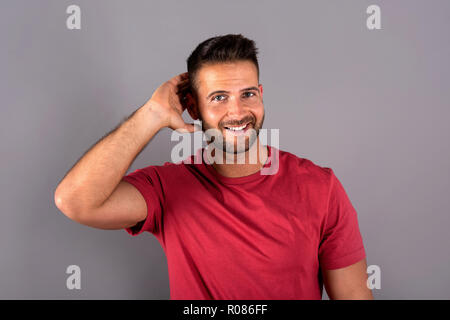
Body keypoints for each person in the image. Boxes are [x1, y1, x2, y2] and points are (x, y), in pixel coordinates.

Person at [54, 34, 373, 300]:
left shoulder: (320, 187)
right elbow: (75, 201)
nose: (238, 111)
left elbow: (354, 297)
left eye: (247, 94)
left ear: (261, 96)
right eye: (219, 97)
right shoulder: (167, 188)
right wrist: (152, 114)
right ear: (192, 107)